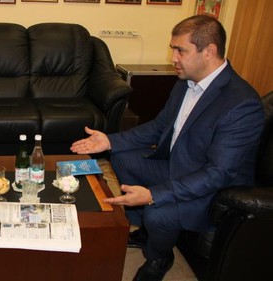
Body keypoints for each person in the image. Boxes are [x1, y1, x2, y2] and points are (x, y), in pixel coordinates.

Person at [71, 15, 264, 281]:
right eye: (173, 48)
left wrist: (153, 195)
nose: (173, 57)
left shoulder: (241, 104)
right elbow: (159, 126)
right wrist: (111, 141)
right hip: (179, 167)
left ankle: (159, 256)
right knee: (123, 157)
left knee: (159, 210)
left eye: (180, 50)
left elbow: (218, 174)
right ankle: (146, 232)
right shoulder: (185, 82)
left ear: (209, 51)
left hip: (212, 191)